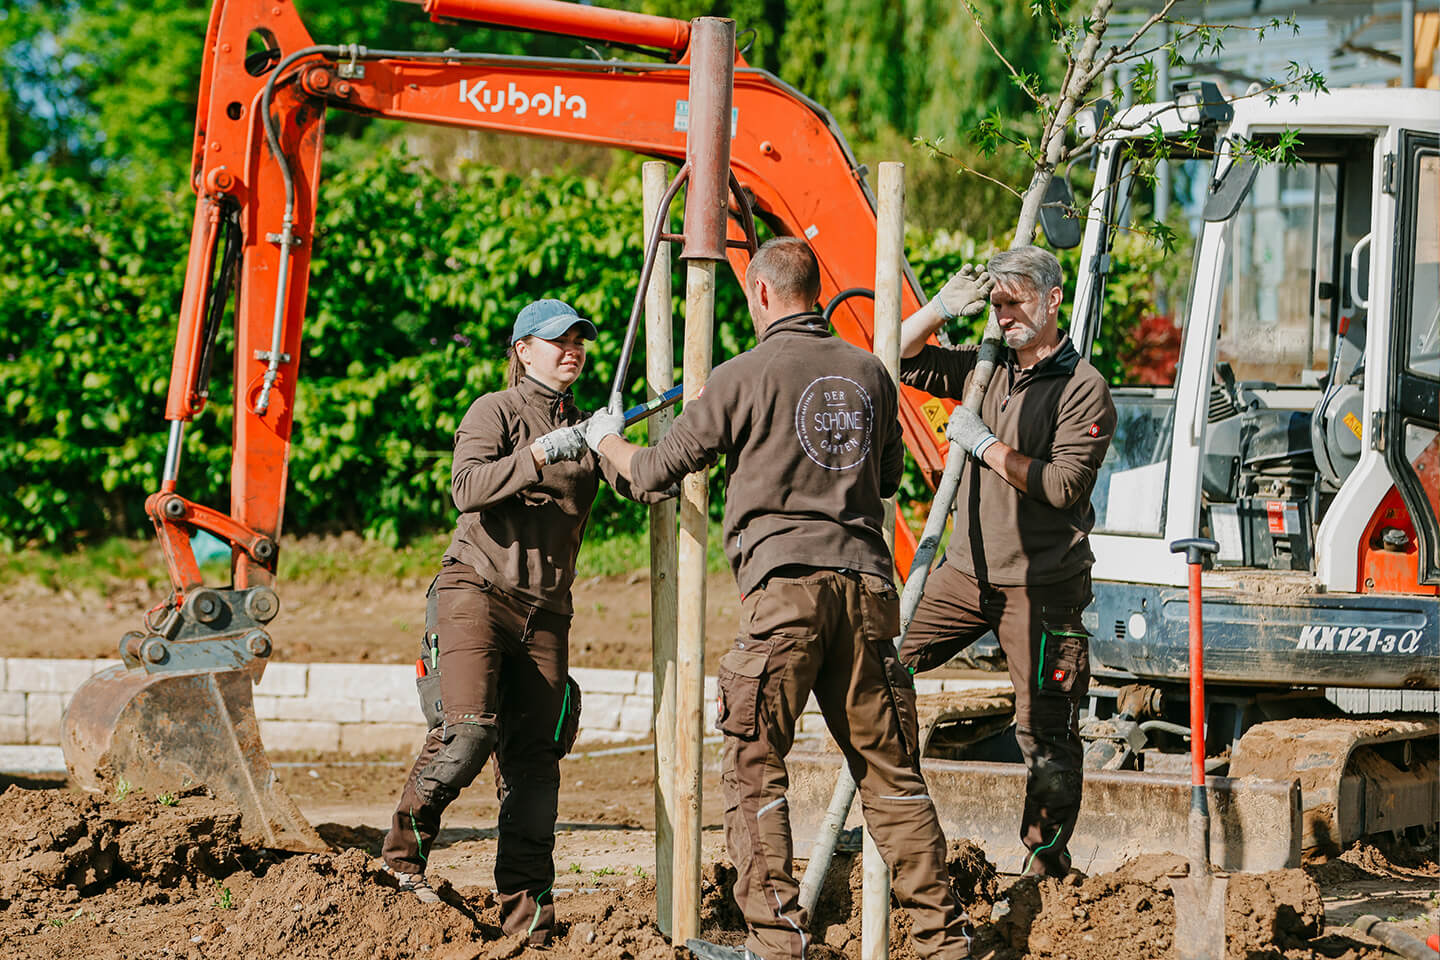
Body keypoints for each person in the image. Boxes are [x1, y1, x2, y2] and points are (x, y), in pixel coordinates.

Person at [586, 238, 977, 960]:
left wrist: (605, 441)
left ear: (761, 293)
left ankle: (777, 945)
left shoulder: (738, 376)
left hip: (784, 596)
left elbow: (650, 474)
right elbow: (889, 478)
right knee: (893, 777)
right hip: (867, 595)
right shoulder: (869, 372)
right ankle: (944, 943)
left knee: (754, 765)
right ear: (815, 291)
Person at [380, 299, 668, 945]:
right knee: (467, 733)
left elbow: (645, 485)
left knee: (536, 769)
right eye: (558, 340)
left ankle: (527, 926)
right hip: (475, 593)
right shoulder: (496, 411)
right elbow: (467, 488)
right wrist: (539, 453)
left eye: (579, 341)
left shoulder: (591, 430)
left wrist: (642, 439)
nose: (572, 350)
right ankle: (400, 860)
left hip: (547, 615)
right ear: (523, 350)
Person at [896, 246, 1116, 880]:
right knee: (884, 661)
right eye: (996, 303)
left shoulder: (1084, 389)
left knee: (1046, 734)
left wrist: (985, 445)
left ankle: (1046, 866)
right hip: (965, 574)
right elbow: (896, 356)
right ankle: (902, 818)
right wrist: (938, 310)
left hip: (1041, 587)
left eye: (1015, 301)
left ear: (1053, 300)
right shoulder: (985, 366)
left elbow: (1063, 486)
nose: (1004, 314)